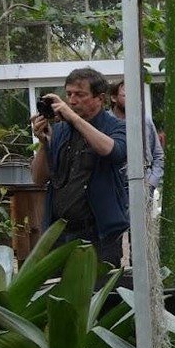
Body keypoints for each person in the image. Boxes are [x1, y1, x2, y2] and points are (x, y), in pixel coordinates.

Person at [30, 67, 129, 266]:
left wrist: (73, 118)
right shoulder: (59, 131)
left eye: (80, 95)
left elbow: (114, 151)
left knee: (101, 293)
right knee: (61, 294)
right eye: (69, 94)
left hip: (98, 235)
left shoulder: (117, 127)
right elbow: (39, 179)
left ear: (100, 98)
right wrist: (43, 144)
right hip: (59, 233)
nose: (72, 101)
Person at [112, 79, 165, 198]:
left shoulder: (144, 120)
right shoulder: (106, 122)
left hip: (144, 184)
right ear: (113, 98)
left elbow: (158, 155)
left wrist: (151, 183)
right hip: (114, 187)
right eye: (125, 95)